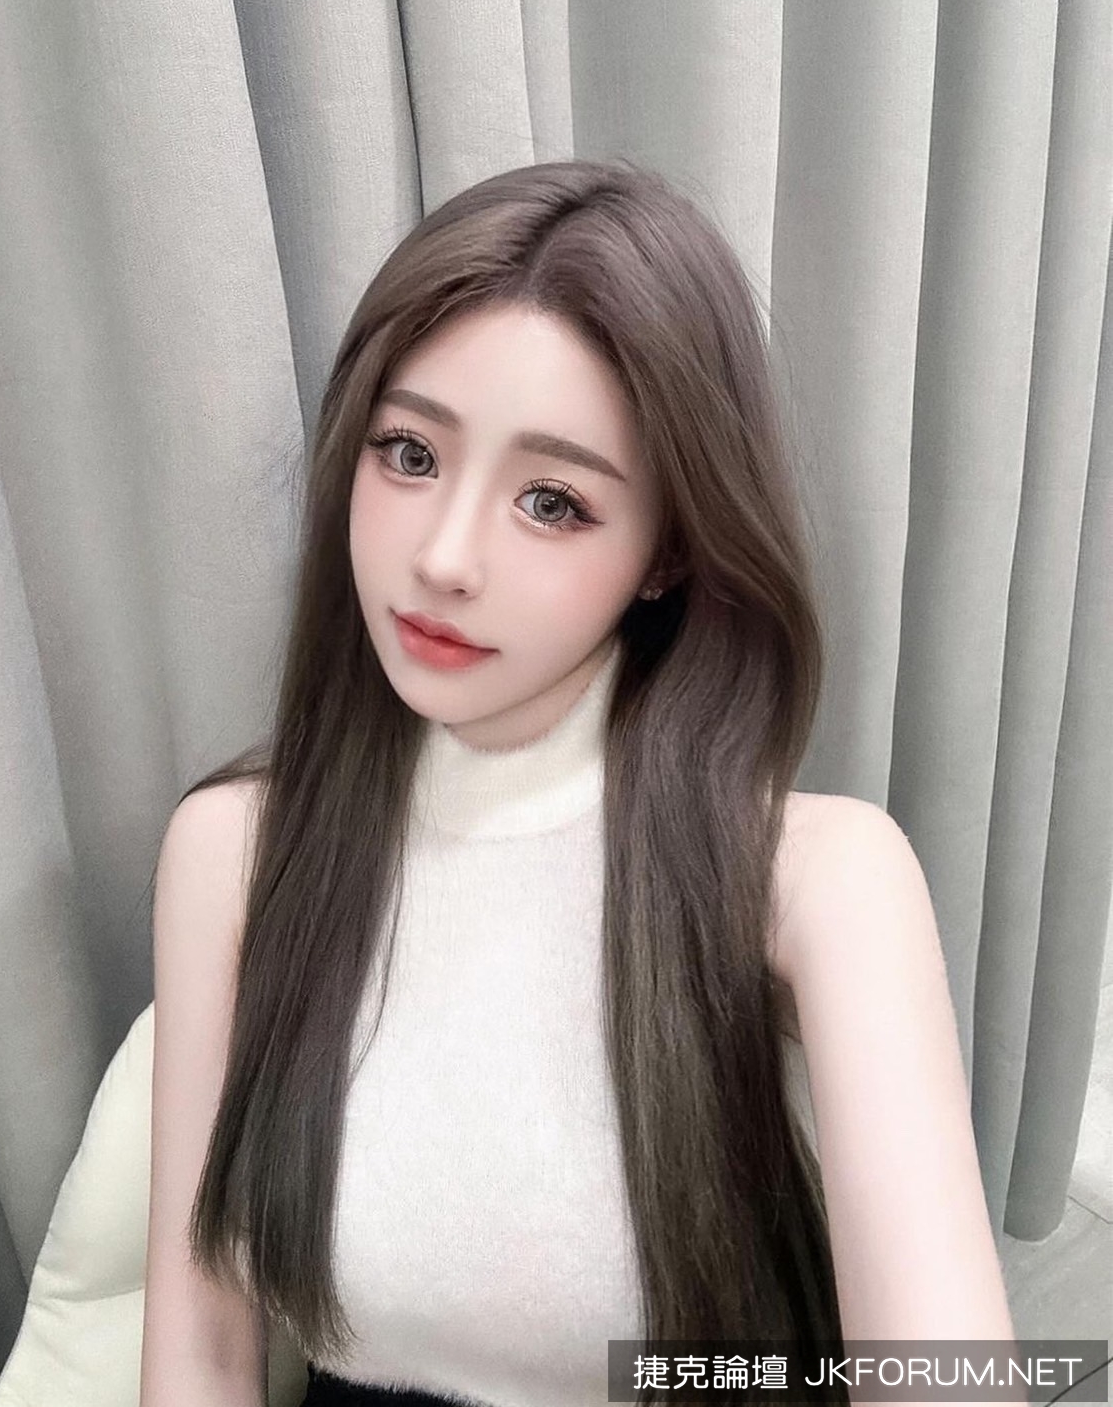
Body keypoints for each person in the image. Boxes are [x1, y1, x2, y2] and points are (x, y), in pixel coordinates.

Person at [139, 159, 1015, 1407]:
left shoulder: (816, 878)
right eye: (408, 452)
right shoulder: (235, 848)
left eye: (552, 502)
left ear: (666, 554)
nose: (444, 558)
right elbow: (201, 1348)